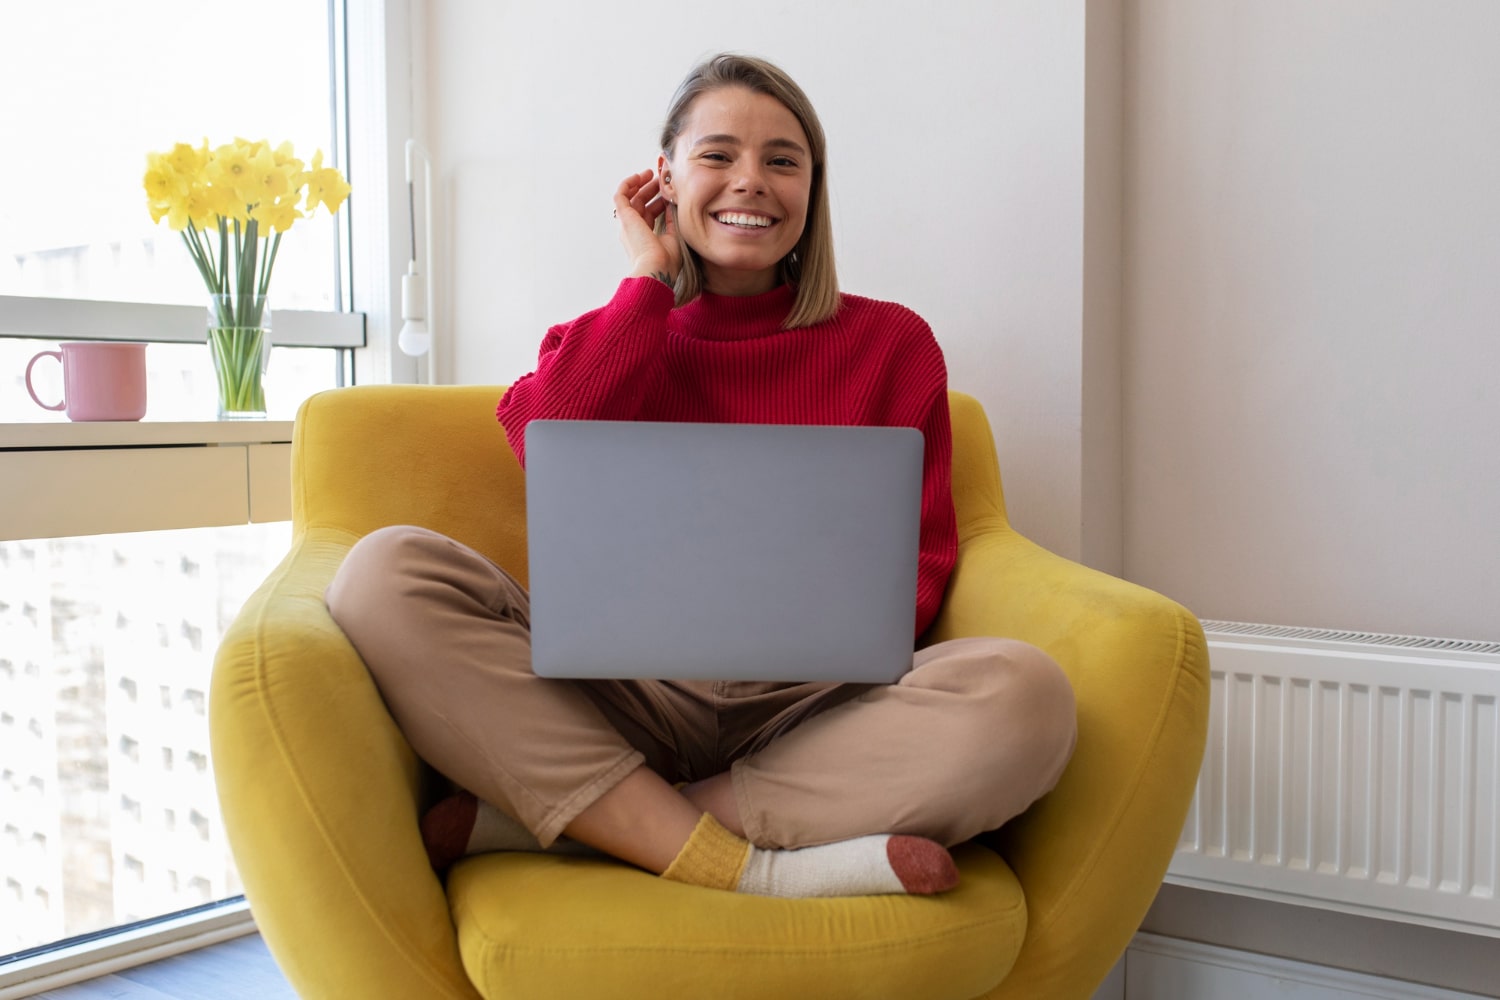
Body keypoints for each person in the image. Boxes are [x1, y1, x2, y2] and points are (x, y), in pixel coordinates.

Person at [325, 52, 1076, 900]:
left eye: (781, 161)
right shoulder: (601, 335)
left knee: (1029, 698)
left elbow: (922, 567)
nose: (750, 182)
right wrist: (648, 280)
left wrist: (797, 629)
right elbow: (549, 442)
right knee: (382, 574)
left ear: (812, 190)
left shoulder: (893, 344)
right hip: (622, 697)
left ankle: (605, 827)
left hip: (814, 710)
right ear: (664, 179)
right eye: (717, 156)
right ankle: (751, 867)